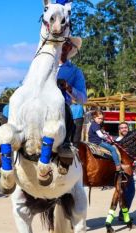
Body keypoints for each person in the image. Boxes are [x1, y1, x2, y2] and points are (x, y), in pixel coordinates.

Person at [54, 39, 87, 171]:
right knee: (9, 108)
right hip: (39, 104)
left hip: (61, 107)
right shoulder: (43, 65)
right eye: (61, 42)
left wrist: (69, 87)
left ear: (70, 48)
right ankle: (3, 150)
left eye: (67, 43)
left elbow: (83, 98)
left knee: (72, 110)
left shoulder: (75, 71)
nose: (63, 45)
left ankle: (67, 149)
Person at [115, 122, 135, 222]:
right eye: (122, 128)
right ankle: (123, 214)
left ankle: (123, 213)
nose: (124, 129)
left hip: (130, 169)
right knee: (123, 193)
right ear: (119, 130)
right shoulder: (117, 141)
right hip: (122, 171)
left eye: (125, 127)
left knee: (131, 192)